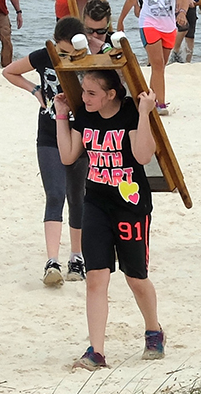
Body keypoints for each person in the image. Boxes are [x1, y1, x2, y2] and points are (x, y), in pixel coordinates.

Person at [54, 70, 163, 370]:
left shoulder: (129, 112)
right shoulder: (84, 114)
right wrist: (62, 115)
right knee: (97, 278)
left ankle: (153, 330)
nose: (84, 97)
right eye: (83, 92)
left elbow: (143, 156)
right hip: (97, 203)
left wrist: (144, 115)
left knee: (135, 276)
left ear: (111, 94)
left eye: (91, 93)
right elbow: (68, 156)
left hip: (130, 205)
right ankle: (96, 351)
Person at [2, 17, 90, 286]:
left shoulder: (89, 57)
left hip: (80, 133)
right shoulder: (43, 56)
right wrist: (34, 89)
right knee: (54, 194)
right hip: (49, 133)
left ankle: (77, 257)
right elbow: (9, 71)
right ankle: (52, 261)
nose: (66, 57)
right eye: (62, 52)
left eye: (71, 53)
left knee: (77, 196)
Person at [117, 0, 191, 116]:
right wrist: (121, 20)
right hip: (149, 24)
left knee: (160, 67)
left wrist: (182, 12)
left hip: (168, 26)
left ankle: (151, 100)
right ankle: (161, 104)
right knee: (157, 64)